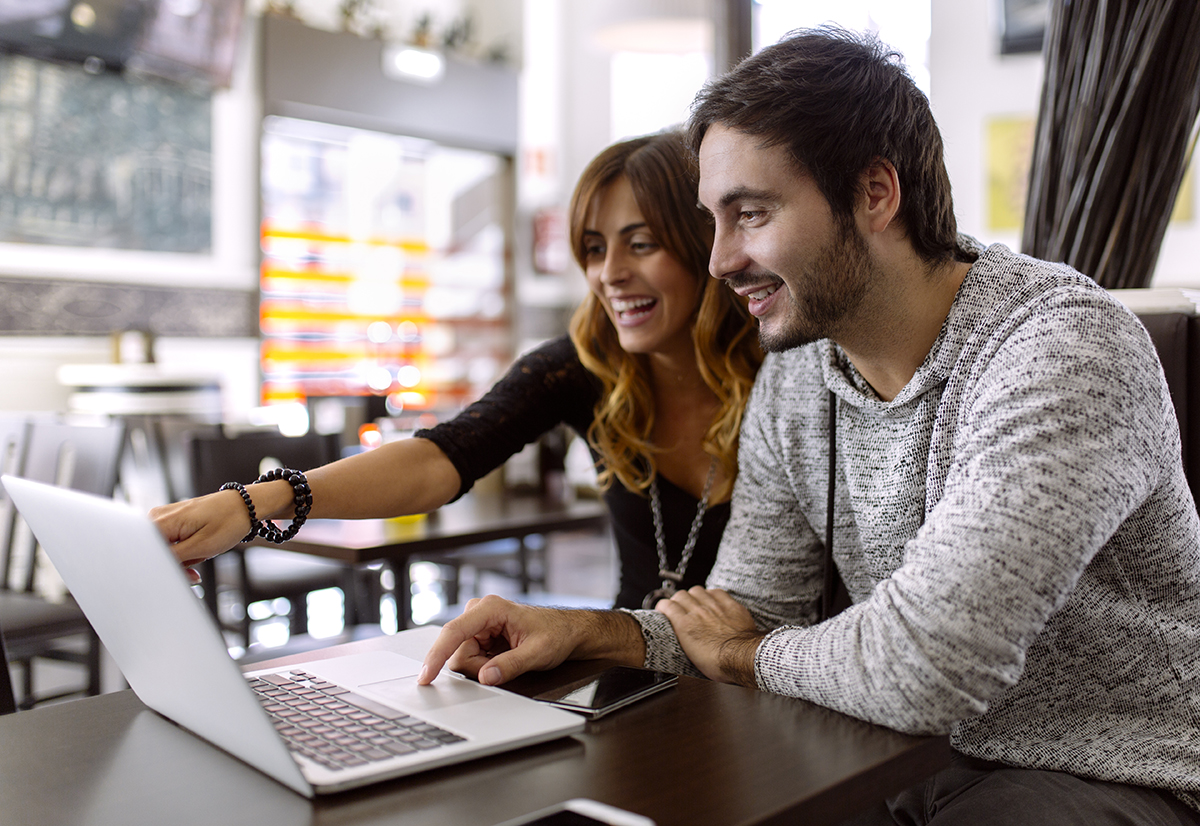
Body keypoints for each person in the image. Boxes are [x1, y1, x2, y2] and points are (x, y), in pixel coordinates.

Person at [418, 28, 1200, 824]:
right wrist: (584, 632)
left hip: (1115, 768)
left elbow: (923, 664)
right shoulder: (797, 375)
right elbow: (742, 611)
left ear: (874, 193)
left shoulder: (1062, 349)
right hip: (901, 751)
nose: (719, 259)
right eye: (712, 220)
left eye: (750, 214)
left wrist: (743, 654)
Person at [151, 129, 762, 612]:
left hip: (769, 680)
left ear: (705, 244)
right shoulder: (581, 367)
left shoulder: (785, 372)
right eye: (595, 248)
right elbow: (437, 460)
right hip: (640, 675)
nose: (609, 274)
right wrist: (253, 504)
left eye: (642, 243)